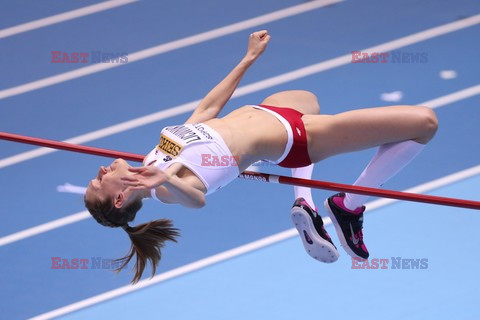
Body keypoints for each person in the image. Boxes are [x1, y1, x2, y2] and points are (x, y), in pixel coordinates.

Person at [84, 30, 438, 283]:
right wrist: (168, 179)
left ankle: (305, 204)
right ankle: (349, 206)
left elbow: (206, 110)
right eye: (99, 181)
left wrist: (248, 59)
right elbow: (197, 200)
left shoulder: (151, 159)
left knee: (307, 97)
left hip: (273, 111)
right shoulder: (163, 187)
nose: (101, 169)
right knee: (424, 123)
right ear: (119, 198)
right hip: (298, 138)